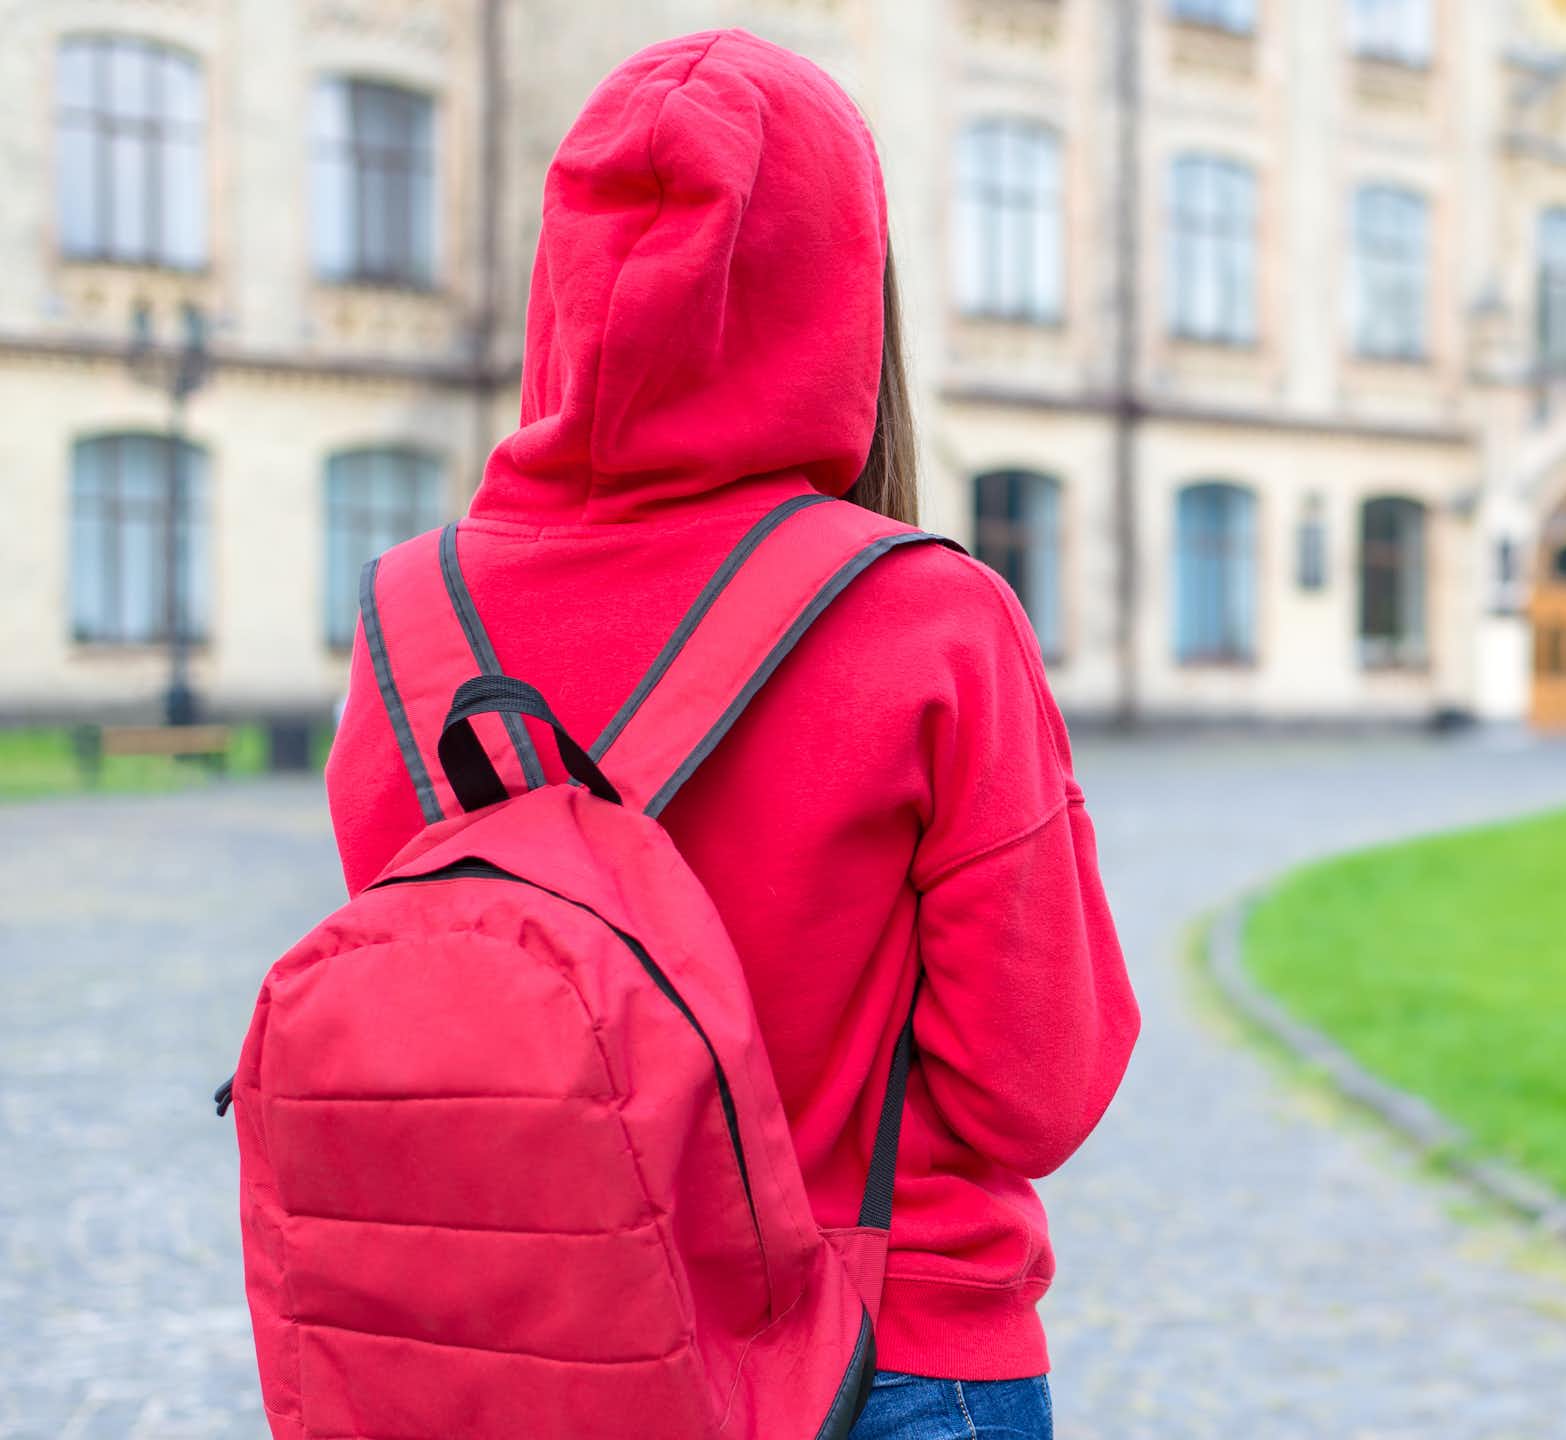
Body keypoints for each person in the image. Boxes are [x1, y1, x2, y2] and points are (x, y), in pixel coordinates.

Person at [325, 31, 1139, 1439]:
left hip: (538, 1362)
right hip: (892, 1350)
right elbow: (1039, 1088)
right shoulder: (931, 619)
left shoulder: (411, 623)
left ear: (562, 284)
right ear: (844, 293)